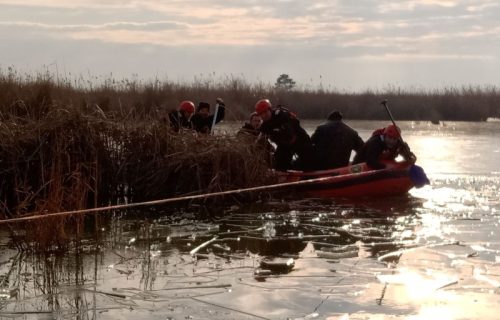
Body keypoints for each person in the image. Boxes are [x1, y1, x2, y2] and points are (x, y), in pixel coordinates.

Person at [256, 99, 314, 171]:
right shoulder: (264, 126)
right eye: (261, 114)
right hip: (285, 145)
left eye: (265, 112)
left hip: (300, 141)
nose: (263, 115)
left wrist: (278, 131)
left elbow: (289, 133)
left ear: (270, 110)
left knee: (310, 163)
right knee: (279, 164)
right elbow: (258, 140)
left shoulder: (282, 115)